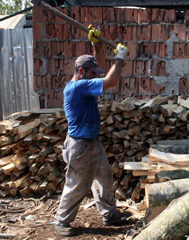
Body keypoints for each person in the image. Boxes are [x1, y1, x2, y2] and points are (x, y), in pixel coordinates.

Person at [53, 25, 130, 236]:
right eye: (91, 72)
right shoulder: (78, 87)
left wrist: (96, 44)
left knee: (104, 178)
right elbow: (111, 80)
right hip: (79, 145)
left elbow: (102, 67)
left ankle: (109, 214)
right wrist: (120, 58)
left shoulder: (83, 82)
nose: (94, 75)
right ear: (81, 71)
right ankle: (61, 221)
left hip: (92, 142)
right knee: (77, 185)